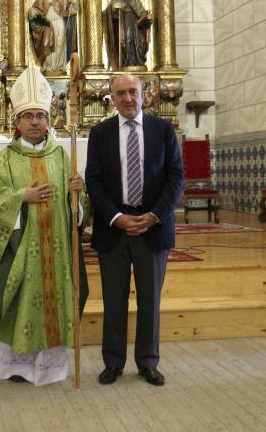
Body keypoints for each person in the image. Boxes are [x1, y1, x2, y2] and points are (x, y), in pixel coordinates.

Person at [0, 64, 88, 386]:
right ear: (16, 122)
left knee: (55, 301)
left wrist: (78, 196)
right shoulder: (4, 160)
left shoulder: (61, 156)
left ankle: (51, 366)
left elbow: (80, 212)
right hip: (20, 252)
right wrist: (21, 197)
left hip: (56, 252)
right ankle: (17, 365)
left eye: (40, 116)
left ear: (48, 120)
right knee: (18, 301)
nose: (34, 122)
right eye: (28, 116)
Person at [85, 74, 183, 387]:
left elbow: (176, 176)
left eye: (133, 92)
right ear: (111, 98)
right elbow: (94, 181)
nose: (127, 98)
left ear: (145, 95)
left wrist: (154, 215)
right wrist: (115, 216)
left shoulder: (163, 130)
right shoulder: (100, 133)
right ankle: (113, 362)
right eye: (120, 93)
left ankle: (147, 362)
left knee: (149, 300)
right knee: (114, 301)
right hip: (114, 228)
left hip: (153, 227)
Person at [28, 0, 78, 72]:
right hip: (47, 26)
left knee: (59, 45)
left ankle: (59, 67)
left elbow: (71, 10)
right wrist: (32, 11)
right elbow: (36, 9)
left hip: (59, 24)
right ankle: (48, 67)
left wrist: (74, 3)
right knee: (48, 47)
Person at [103, 0, 152, 70]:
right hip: (123, 24)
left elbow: (141, 12)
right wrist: (114, 7)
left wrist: (147, 16)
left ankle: (137, 61)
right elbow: (106, 13)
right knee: (125, 41)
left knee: (139, 41)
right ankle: (125, 62)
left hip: (134, 24)